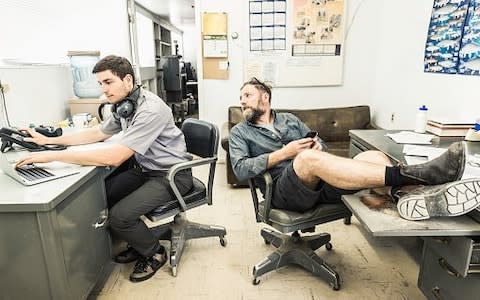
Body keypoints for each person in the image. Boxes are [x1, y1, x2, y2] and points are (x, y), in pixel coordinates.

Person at [16, 55, 193, 282]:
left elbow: (115, 156)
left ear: (127, 80)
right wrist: (47, 142)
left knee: (120, 216)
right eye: (100, 84)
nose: (103, 90)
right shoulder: (125, 106)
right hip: (146, 169)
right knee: (102, 197)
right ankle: (139, 240)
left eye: (108, 82)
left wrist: (53, 156)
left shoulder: (150, 110)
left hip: (172, 175)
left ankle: (154, 253)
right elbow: (98, 133)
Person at [229, 77, 480, 221]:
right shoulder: (241, 132)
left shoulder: (290, 120)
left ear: (265, 98)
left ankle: (408, 195)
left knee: (374, 156)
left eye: (247, 96)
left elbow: (322, 148)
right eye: (241, 98)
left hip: (320, 183)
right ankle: (421, 174)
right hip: (285, 191)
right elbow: (240, 169)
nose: (242, 101)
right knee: (307, 159)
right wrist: (287, 153)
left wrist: (318, 145)